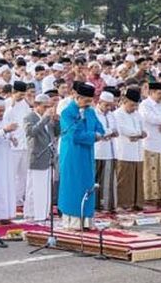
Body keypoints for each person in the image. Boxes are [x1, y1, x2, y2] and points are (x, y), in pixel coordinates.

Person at [58, 83, 103, 230]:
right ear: (77, 97)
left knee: (87, 184)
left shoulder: (90, 111)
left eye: (90, 101)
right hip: (72, 153)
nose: (88, 104)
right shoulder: (67, 113)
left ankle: (87, 220)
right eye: (86, 101)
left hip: (87, 153)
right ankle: (72, 221)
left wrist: (99, 134)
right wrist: (93, 135)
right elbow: (74, 135)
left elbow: (99, 127)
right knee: (73, 185)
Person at [24, 94, 60, 222]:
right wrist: (44, 119)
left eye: (49, 107)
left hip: (49, 156)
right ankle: (34, 214)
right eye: (45, 106)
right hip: (37, 156)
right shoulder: (30, 117)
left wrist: (56, 122)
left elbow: (57, 133)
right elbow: (31, 132)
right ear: (36, 105)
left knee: (46, 187)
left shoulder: (48, 118)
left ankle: (43, 213)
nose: (47, 109)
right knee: (35, 188)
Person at [139, 82, 161, 207]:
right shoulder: (145, 105)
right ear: (151, 93)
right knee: (151, 172)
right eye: (159, 93)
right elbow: (151, 118)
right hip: (151, 143)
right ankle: (150, 199)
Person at [113, 88, 147, 212]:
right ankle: (122, 204)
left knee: (137, 179)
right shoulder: (117, 114)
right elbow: (123, 130)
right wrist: (138, 133)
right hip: (124, 151)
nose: (134, 108)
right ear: (125, 101)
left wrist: (139, 134)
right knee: (124, 179)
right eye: (132, 105)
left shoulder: (137, 114)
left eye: (136, 105)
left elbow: (143, 130)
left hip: (137, 151)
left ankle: (136, 203)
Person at [94, 90, 119, 212]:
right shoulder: (93, 113)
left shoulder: (111, 114)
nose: (108, 108)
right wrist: (107, 132)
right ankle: (93, 205)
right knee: (94, 179)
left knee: (107, 180)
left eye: (110, 105)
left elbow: (115, 129)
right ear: (99, 102)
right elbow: (97, 131)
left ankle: (106, 206)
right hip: (96, 151)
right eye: (106, 105)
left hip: (109, 151)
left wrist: (111, 132)